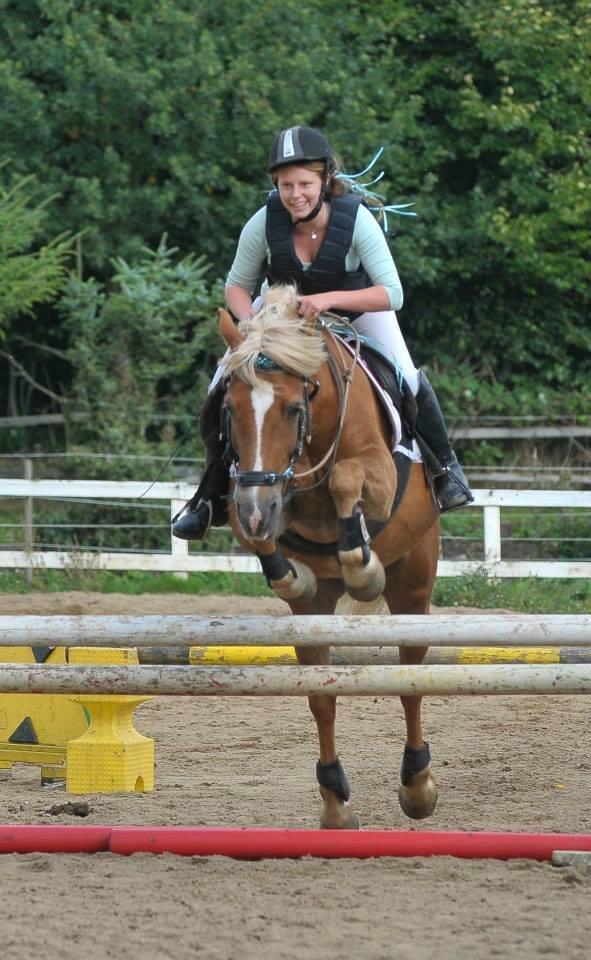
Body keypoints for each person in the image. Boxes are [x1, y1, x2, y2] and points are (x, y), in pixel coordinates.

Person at [173, 125, 472, 540]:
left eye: (304, 184)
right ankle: (208, 495)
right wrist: (251, 326)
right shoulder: (263, 222)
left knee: (407, 374)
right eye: (285, 185)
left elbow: (392, 293)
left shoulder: (357, 220)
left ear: (325, 179)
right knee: (222, 380)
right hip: (280, 318)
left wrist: (328, 299)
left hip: (355, 311)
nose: (295, 194)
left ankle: (446, 471)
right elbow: (236, 287)